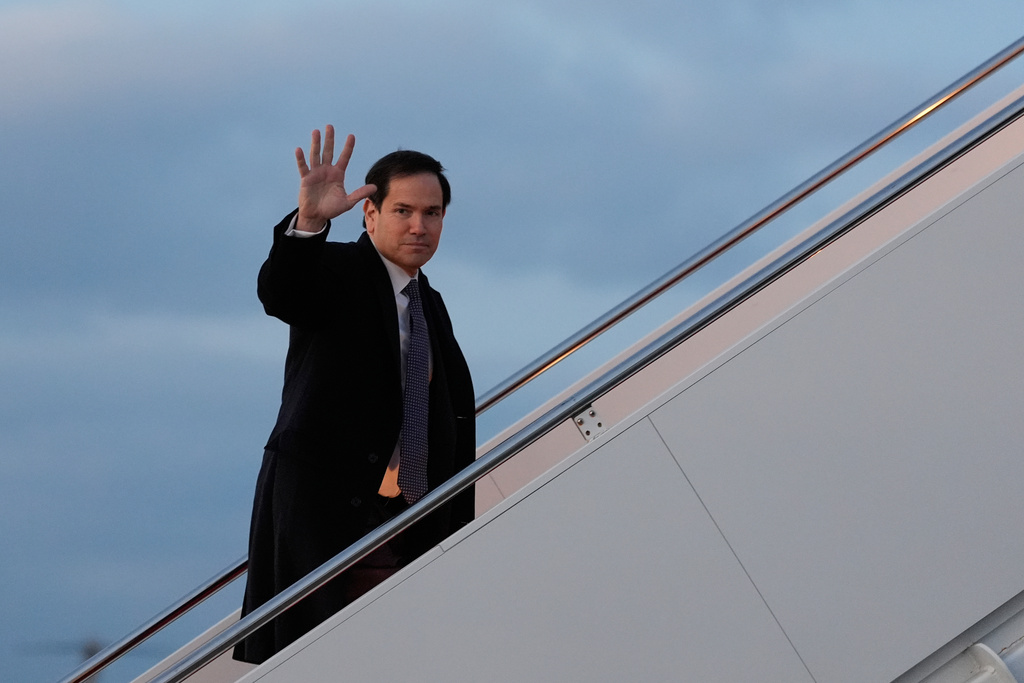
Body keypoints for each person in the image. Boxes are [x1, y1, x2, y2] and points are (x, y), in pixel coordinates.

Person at [233, 126, 476, 664]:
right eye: (403, 211)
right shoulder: (339, 271)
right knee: (316, 659)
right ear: (370, 214)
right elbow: (282, 292)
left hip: (405, 519)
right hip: (325, 517)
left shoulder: (428, 302)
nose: (419, 225)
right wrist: (310, 224)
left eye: (432, 213)